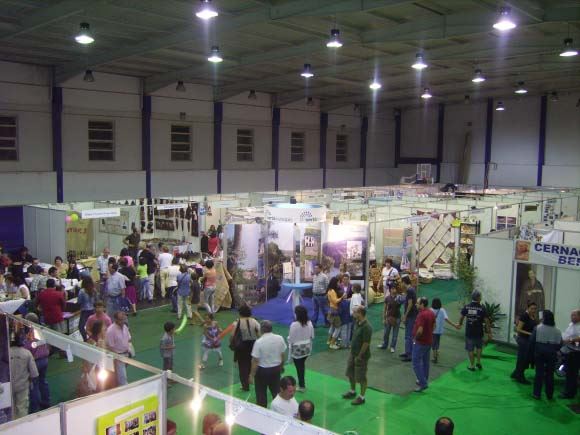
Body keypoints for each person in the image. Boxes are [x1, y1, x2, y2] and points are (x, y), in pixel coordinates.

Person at [219, 304, 260, 391]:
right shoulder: (255, 321)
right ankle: (253, 379)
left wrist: (232, 343)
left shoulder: (237, 322)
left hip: (241, 347)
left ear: (240, 313)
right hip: (253, 345)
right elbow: (259, 334)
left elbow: (232, 336)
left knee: (242, 366)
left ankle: (245, 386)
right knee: (253, 362)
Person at [250, 320, 287, 408]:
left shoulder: (259, 342)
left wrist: (251, 375)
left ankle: (262, 410)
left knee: (261, 394)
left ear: (261, 330)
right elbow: (282, 354)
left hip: (262, 371)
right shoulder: (280, 338)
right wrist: (281, 366)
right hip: (276, 369)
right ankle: (279, 410)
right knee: (276, 392)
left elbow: (255, 361)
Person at [342, 306, 372, 405]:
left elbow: (366, 343)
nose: (353, 313)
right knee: (350, 373)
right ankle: (352, 391)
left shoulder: (367, 327)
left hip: (361, 356)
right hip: (353, 353)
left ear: (360, 313)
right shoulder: (357, 323)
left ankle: (362, 397)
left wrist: (359, 356)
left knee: (361, 377)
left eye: (355, 312)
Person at [529, 310, 561, 400]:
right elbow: (559, 344)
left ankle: (537, 394)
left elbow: (532, 341)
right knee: (550, 374)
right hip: (552, 353)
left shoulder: (538, 328)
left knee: (539, 373)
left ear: (544, 318)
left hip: (540, 352)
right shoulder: (557, 330)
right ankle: (549, 395)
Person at [457, 290, 492, 371]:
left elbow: (461, 317)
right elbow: (487, 321)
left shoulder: (466, 307)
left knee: (470, 349)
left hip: (469, 332)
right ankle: (478, 362)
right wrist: (489, 332)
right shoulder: (482, 308)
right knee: (479, 347)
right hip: (479, 332)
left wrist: (460, 324)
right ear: (479, 298)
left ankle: (472, 365)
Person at [23, 313, 50, 413]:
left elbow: (27, 349)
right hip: (45, 360)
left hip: (35, 362)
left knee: (34, 385)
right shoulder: (42, 331)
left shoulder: (29, 334)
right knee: (43, 381)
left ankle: (35, 407)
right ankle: (46, 402)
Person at [9, 330, 38, 418]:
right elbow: (34, 373)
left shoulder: (5, 353)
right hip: (22, 386)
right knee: (22, 408)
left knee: (10, 409)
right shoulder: (27, 353)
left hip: (8, 386)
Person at [510, 301, 538, 384]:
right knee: (523, 358)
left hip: (529, 340)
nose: (533, 310)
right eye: (532, 308)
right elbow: (518, 329)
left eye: (535, 309)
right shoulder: (524, 316)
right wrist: (530, 333)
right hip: (523, 340)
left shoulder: (533, 316)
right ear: (528, 308)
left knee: (525, 358)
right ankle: (520, 376)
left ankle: (516, 373)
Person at [412, 297, 436, 392]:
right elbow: (434, 326)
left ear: (422, 304)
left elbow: (420, 330)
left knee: (415, 363)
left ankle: (423, 383)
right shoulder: (431, 312)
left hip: (420, 342)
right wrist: (429, 333)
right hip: (428, 341)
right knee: (426, 362)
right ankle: (424, 379)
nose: (416, 304)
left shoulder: (421, 315)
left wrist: (415, 339)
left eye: (418, 303)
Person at [288, 305, 314, 391]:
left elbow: (291, 339)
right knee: (301, 366)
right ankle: (301, 382)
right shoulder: (310, 323)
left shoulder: (294, 325)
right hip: (307, 348)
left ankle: (302, 385)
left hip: (297, 350)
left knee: (299, 367)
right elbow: (312, 336)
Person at [105, 311, 132, 386]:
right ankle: (124, 389)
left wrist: (129, 350)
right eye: (121, 320)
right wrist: (117, 357)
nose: (123, 321)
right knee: (122, 377)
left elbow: (129, 338)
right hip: (118, 356)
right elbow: (110, 346)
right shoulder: (110, 331)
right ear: (115, 319)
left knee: (121, 374)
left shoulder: (125, 326)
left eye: (124, 319)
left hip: (126, 353)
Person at [431, 298, 459, 364]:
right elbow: (446, 319)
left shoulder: (430, 310)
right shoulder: (442, 310)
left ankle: (435, 357)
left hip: (432, 330)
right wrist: (454, 325)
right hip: (439, 330)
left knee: (433, 343)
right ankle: (437, 352)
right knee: (437, 341)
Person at [560, 308, 580, 399]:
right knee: (569, 372)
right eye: (571, 315)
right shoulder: (571, 324)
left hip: (575, 352)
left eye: (574, 315)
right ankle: (569, 391)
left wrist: (570, 340)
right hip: (568, 350)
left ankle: (569, 393)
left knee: (572, 373)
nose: (572, 317)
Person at [378, 283, 403, 352]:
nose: (394, 290)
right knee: (386, 333)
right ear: (390, 290)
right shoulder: (387, 298)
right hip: (389, 317)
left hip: (397, 317)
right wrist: (384, 318)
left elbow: (403, 301)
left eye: (395, 288)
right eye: (392, 289)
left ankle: (392, 347)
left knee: (395, 334)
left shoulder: (399, 297)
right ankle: (384, 345)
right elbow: (385, 309)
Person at [399, 276, 417, 362]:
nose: (400, 284)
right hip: (410, 315)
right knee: (407, 335)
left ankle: (410, 354)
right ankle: (407, 352)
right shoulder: (410, 290)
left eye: (401, 282)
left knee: (409, 335)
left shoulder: (410, 290)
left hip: (411, 316)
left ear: (404, 282)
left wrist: (405, 316)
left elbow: (410, 304)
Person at [327, 278, 346, 350]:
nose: (339, 284)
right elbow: (335, 301)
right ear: (335, 283)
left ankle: (329, 341)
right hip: (334, 311)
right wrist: (342, 297)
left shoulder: (330, 290)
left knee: (332, 326)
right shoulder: (332, 291)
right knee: (338, 328)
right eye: (338, 282)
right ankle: (332, 343)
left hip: (331, 310)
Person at [77, 276, 97, 341]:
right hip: (93, 310)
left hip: (84, 311)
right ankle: (92, 338)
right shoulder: (94, 290)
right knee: (92, 326)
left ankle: (85, 339)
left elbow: (79, 301)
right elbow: (96, 300)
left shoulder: (82, 291)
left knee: (81, 326)